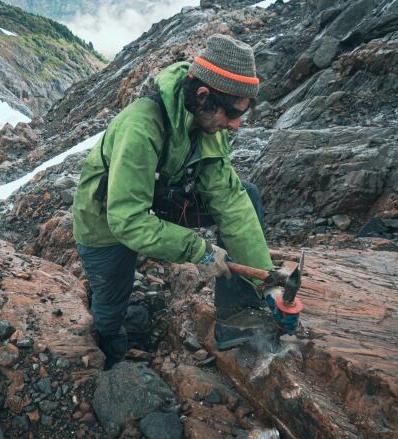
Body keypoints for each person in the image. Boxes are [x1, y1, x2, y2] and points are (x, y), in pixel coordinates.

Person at [72, 34, 300, 369]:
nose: (236, 125)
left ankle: (238, 316)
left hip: (163, 202)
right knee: (110, 308)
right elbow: (128, 220)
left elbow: (229, 200)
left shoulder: (210, 122)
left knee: (246, 193)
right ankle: (112, 363)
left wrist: (264, 279)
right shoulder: (141, 126)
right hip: (107, 220)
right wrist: (200, 250)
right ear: (204, 95)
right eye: (233, 114)